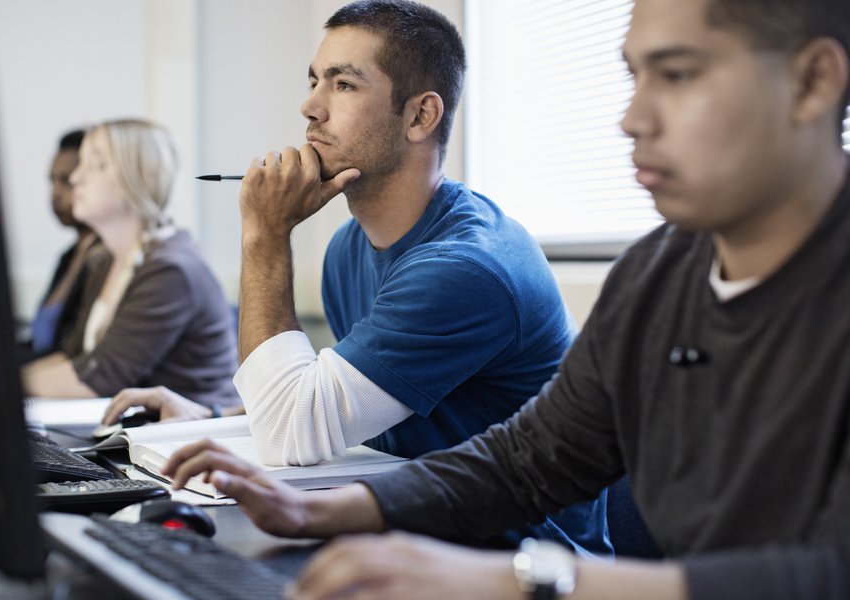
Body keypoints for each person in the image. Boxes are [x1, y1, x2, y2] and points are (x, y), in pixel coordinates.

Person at [160, 0, 850, 597]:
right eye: (634, 77)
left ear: (813, 81)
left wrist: (511, 581)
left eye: (676, 75)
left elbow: (826, 574)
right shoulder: (658, 272)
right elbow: (530, 457)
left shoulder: (475, 262)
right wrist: (322, 510)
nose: (632, 118)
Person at [105, 0, 611, 555]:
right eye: (314, 81)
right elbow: (353, 397)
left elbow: (289, 433)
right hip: (408, 524)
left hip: (515, 555)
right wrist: (210, 416)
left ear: (420, 117)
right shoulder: (349, 248)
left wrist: (265, 235)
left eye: (343, 85)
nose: (309, 107)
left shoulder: (463, 269)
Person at [22, 119, 240, 412]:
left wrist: (1, 385)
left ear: (135, 180)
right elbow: (76, 356)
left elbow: (101, 378)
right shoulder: (104, 260)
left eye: (96, 165)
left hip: (194, 431)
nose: (75, 178)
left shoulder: (170, 269)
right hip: (138, 427)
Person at [24, 129, 102, 362]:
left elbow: (78, 353)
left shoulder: (106, 259)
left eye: (67, 181)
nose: (55, 194)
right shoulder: (69, 257)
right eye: (52, 180)